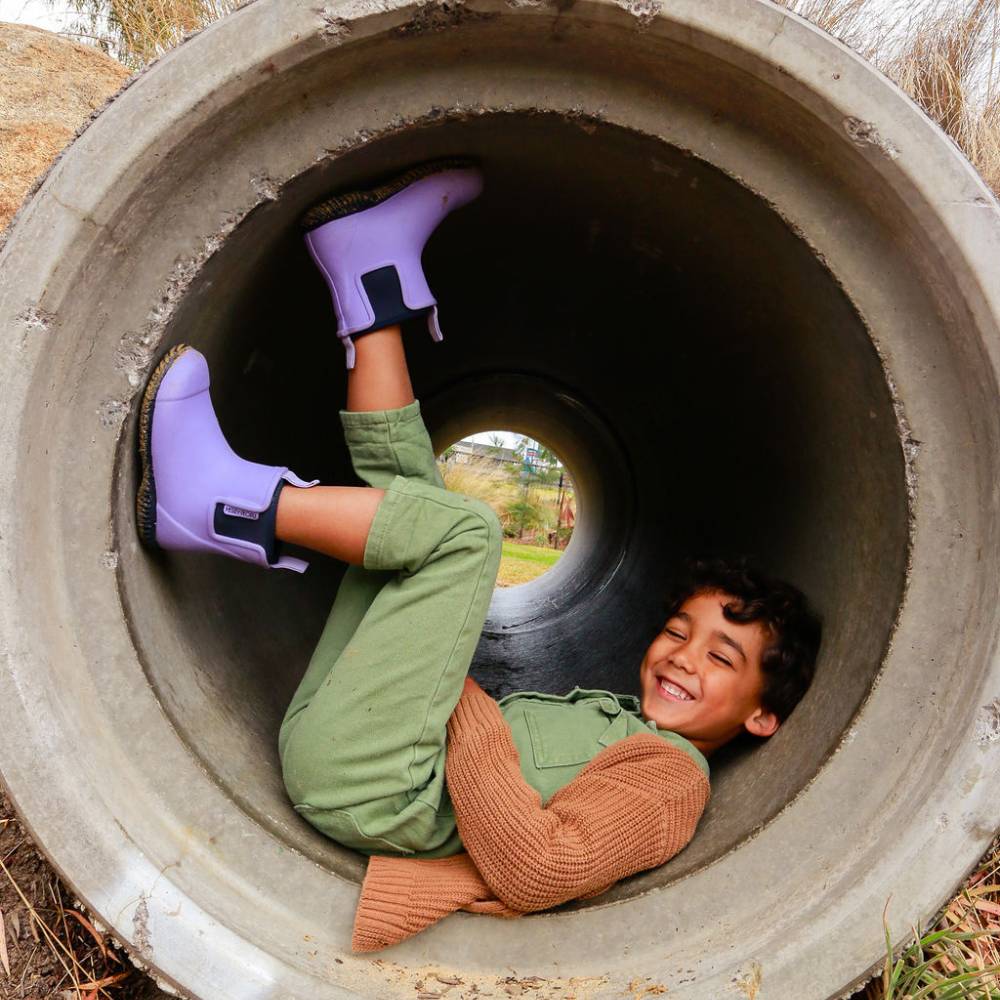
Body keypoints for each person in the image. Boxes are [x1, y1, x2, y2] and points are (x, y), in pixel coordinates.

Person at [135, 158, 821, 953]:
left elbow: (540, 868)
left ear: (761, 715)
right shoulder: (616, 723)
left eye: (722, 656)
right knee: (412, 503)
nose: (681, 656)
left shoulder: (672, 781)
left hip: (376, 783)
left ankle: (218, 506)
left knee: (466, 536)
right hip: (360, 748)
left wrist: (463, 701)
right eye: (680, 629)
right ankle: (367, 273)